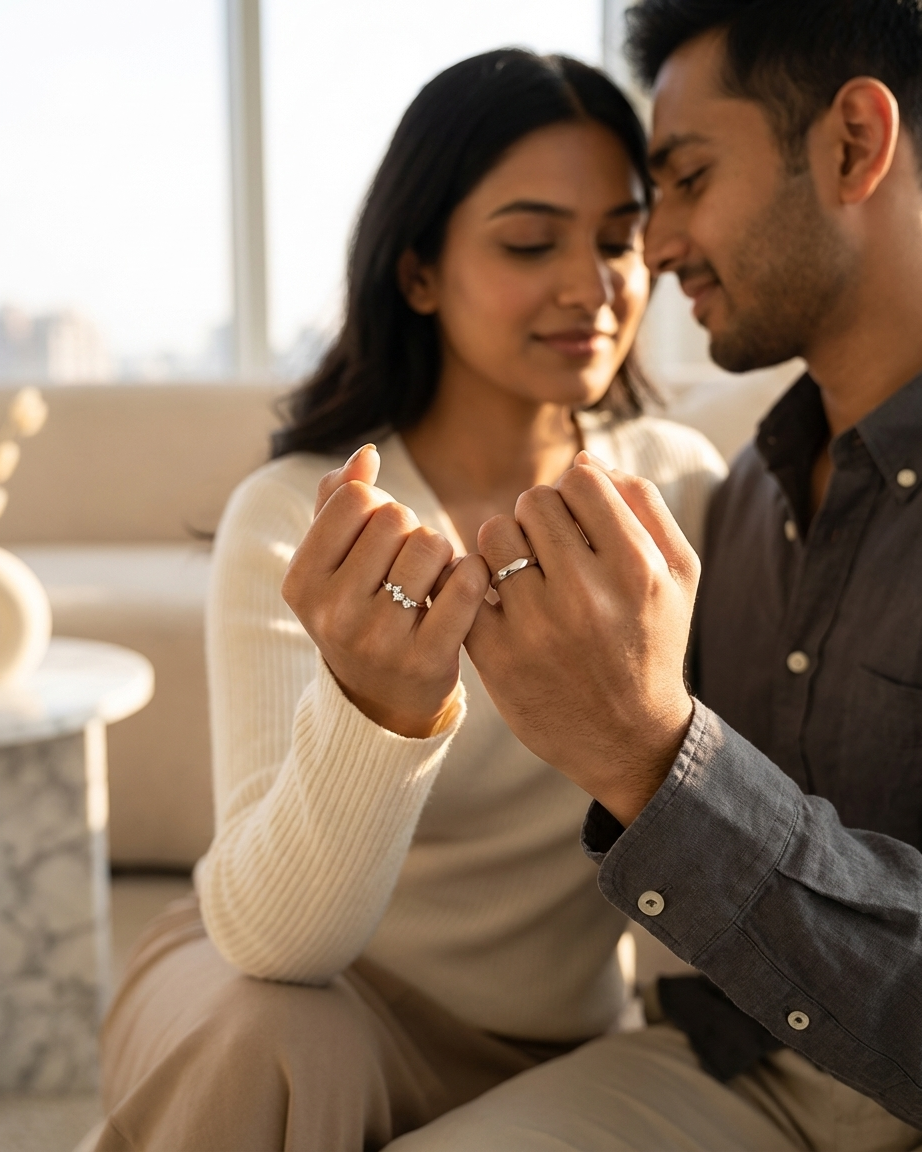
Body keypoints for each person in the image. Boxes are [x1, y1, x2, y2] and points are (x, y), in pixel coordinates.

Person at [91, 49, 726, 1151]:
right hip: (297, 992)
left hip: (561, 1040)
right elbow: (279, 945)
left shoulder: (679, 494)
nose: (594, 286)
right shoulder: (302, 517)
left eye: (619, 239)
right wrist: (382, 713)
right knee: (267, 1033)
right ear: (420, 272)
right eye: (531, 243)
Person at [362, 1, 922, 1149]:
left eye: (687, 179)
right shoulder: (742, 495)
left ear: (854, 145)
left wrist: (652, 753)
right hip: (726, 1064)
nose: (651, 251)